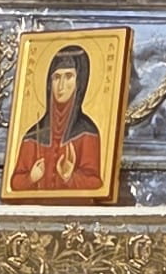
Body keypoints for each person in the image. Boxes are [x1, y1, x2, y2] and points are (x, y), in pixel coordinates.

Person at [11, 43, 104, 194]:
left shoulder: (87, 132)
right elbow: (14, 182)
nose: (61, 86)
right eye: (56, 77)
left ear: (79, 82)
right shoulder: (33, 135)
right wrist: (31, 178)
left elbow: (96, 183)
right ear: (49, 83)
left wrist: (70, 177)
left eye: (68, 77)